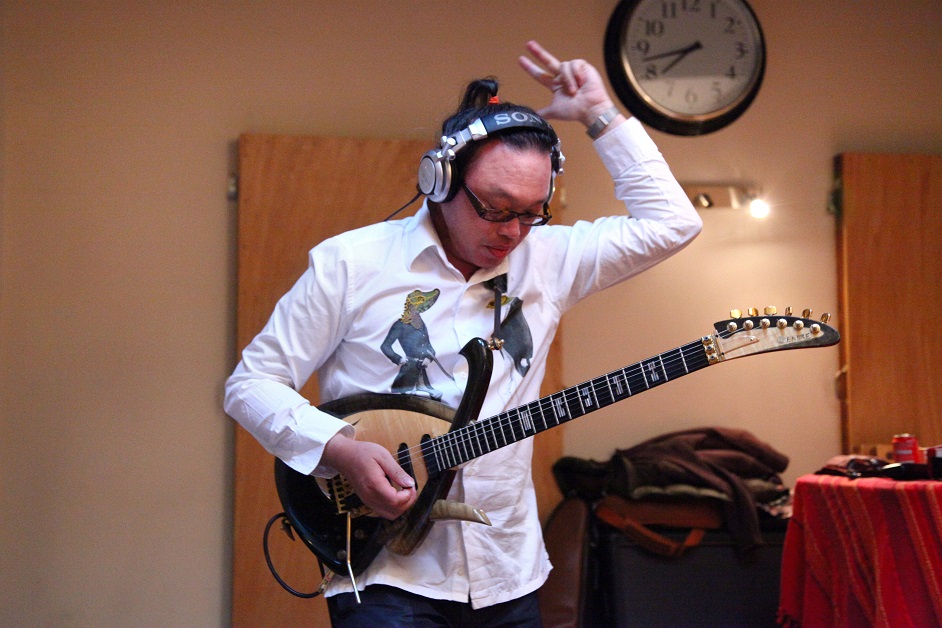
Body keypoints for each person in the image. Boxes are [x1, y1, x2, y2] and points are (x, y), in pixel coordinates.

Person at [224, 41, 702, 627]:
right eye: (495, 208)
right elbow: (251, 383)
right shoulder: (350, 264)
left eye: (532, 212)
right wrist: (338, 449)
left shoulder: (550, 259)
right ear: (440, 181)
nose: (512, 232)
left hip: (507, 571)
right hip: (384, 574)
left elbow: (674, 223)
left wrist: (600, 115)